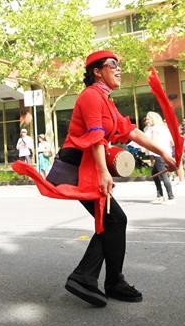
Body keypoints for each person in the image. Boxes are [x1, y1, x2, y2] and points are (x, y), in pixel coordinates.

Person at [46, 51, 176, 308]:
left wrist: (162, 151)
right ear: (97, 71)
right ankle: (95, 278)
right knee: (114, 220)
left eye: (119, 65)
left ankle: (100, 279)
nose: (119, 69)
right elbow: (95, 135)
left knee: (113, 220)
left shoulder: (106, 100)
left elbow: (132, 131)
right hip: (78, 168)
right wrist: (104, 172)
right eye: (113, 65)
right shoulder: (91, 95)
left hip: (90, 165)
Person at [145, 112, 175, 203]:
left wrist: (144, 147)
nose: (146, 121)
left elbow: (153, 143)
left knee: (162, 176)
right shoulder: (165, 128)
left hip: (159, 155)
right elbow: (172, 142)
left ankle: (171, 197)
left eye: (148, 119)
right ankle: (160, 196)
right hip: (166, 154)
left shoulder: (154, 129)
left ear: (153, 119)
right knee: (155, 174)